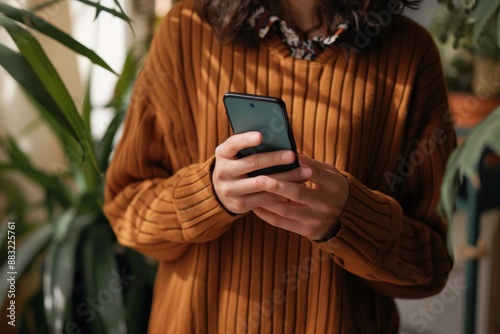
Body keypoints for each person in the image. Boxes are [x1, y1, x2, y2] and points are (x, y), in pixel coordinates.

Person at [103, 0, 456, 332]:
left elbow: (430, 267)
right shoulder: (186, 29)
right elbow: (126, 210)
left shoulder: (410, 51)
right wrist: (207, 194)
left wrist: (349, 218)